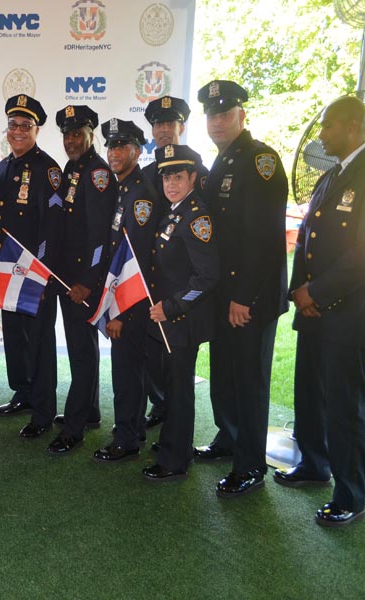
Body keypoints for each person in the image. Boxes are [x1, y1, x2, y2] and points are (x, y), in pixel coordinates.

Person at [277, 96, 365, 527]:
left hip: (351, 312)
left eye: (328, 126)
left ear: (354, 125)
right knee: (309, 394)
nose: (321, 135)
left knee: (343, 406)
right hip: (316, 310)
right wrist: (298, 290)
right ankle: (314, 465)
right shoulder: (333, 174)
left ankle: (350, 495)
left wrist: (315, 293)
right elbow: (307, 235)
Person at [196, 80, 288, 497]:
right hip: (224, 296)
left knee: (248, 382)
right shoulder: (225, 160)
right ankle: (229, 438)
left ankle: (250, 466)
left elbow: (265, 238)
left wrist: (242, 297)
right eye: (212, 115)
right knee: (225, 377)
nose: (217, 121)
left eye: (224, 113)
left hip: (246, 299)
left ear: (241, 116)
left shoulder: (260, 160)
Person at [142, 144, 219, 481]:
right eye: (166, 177)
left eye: (178, 176)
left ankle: (175, 461)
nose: (171, 183)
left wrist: (172, 308)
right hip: (168, 320)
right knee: (172, 388)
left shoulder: (196, 217)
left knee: (180, 389)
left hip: (183, 320)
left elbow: (207, 276)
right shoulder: (174, 211)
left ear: (193, 177)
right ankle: (175, 443)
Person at [47, 104, 116, 455]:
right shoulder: (74, 168)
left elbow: (100, 235)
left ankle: (74, 429)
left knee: (82, 353)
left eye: (78, 133)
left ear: (91, 135)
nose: (71, 140)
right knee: (83, 346)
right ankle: (89, 412)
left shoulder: (97, 173)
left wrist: (88, 281)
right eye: (67, 134)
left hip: (81, 281)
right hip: (67, 276)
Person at [92, 118, 161, 463]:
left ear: (137, 150)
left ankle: (126, 440)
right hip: (127, 300)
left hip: (131, 303)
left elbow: (135, 262)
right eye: (111, 146)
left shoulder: (140, 196)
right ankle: (133, 430)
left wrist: (119, 312)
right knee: (133, 370)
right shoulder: (125, 187)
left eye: (122, 146)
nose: (115, 152)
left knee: (127, 372)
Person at [0, 94, 62, 434]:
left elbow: (51, 225)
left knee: (39, 341)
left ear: (36, 130)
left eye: (26, 126)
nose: (18, 131)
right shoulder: (5, 166)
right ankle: (23, 392)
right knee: (15, 338)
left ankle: (44, 412)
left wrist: (44, 274)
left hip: (35, 272)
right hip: (7, 268)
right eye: (13, 125)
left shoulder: (46, 169)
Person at [140, 95, 208, 431]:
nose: (165, 129)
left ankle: (176, 444)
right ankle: (161, 410)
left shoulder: (197, 170)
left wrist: (176, 303)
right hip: (155, 291)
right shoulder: (148, 173)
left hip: (179, 299)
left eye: (171, 123)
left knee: (178, 376)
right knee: (156, 365)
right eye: (159, 124)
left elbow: (205, 261)